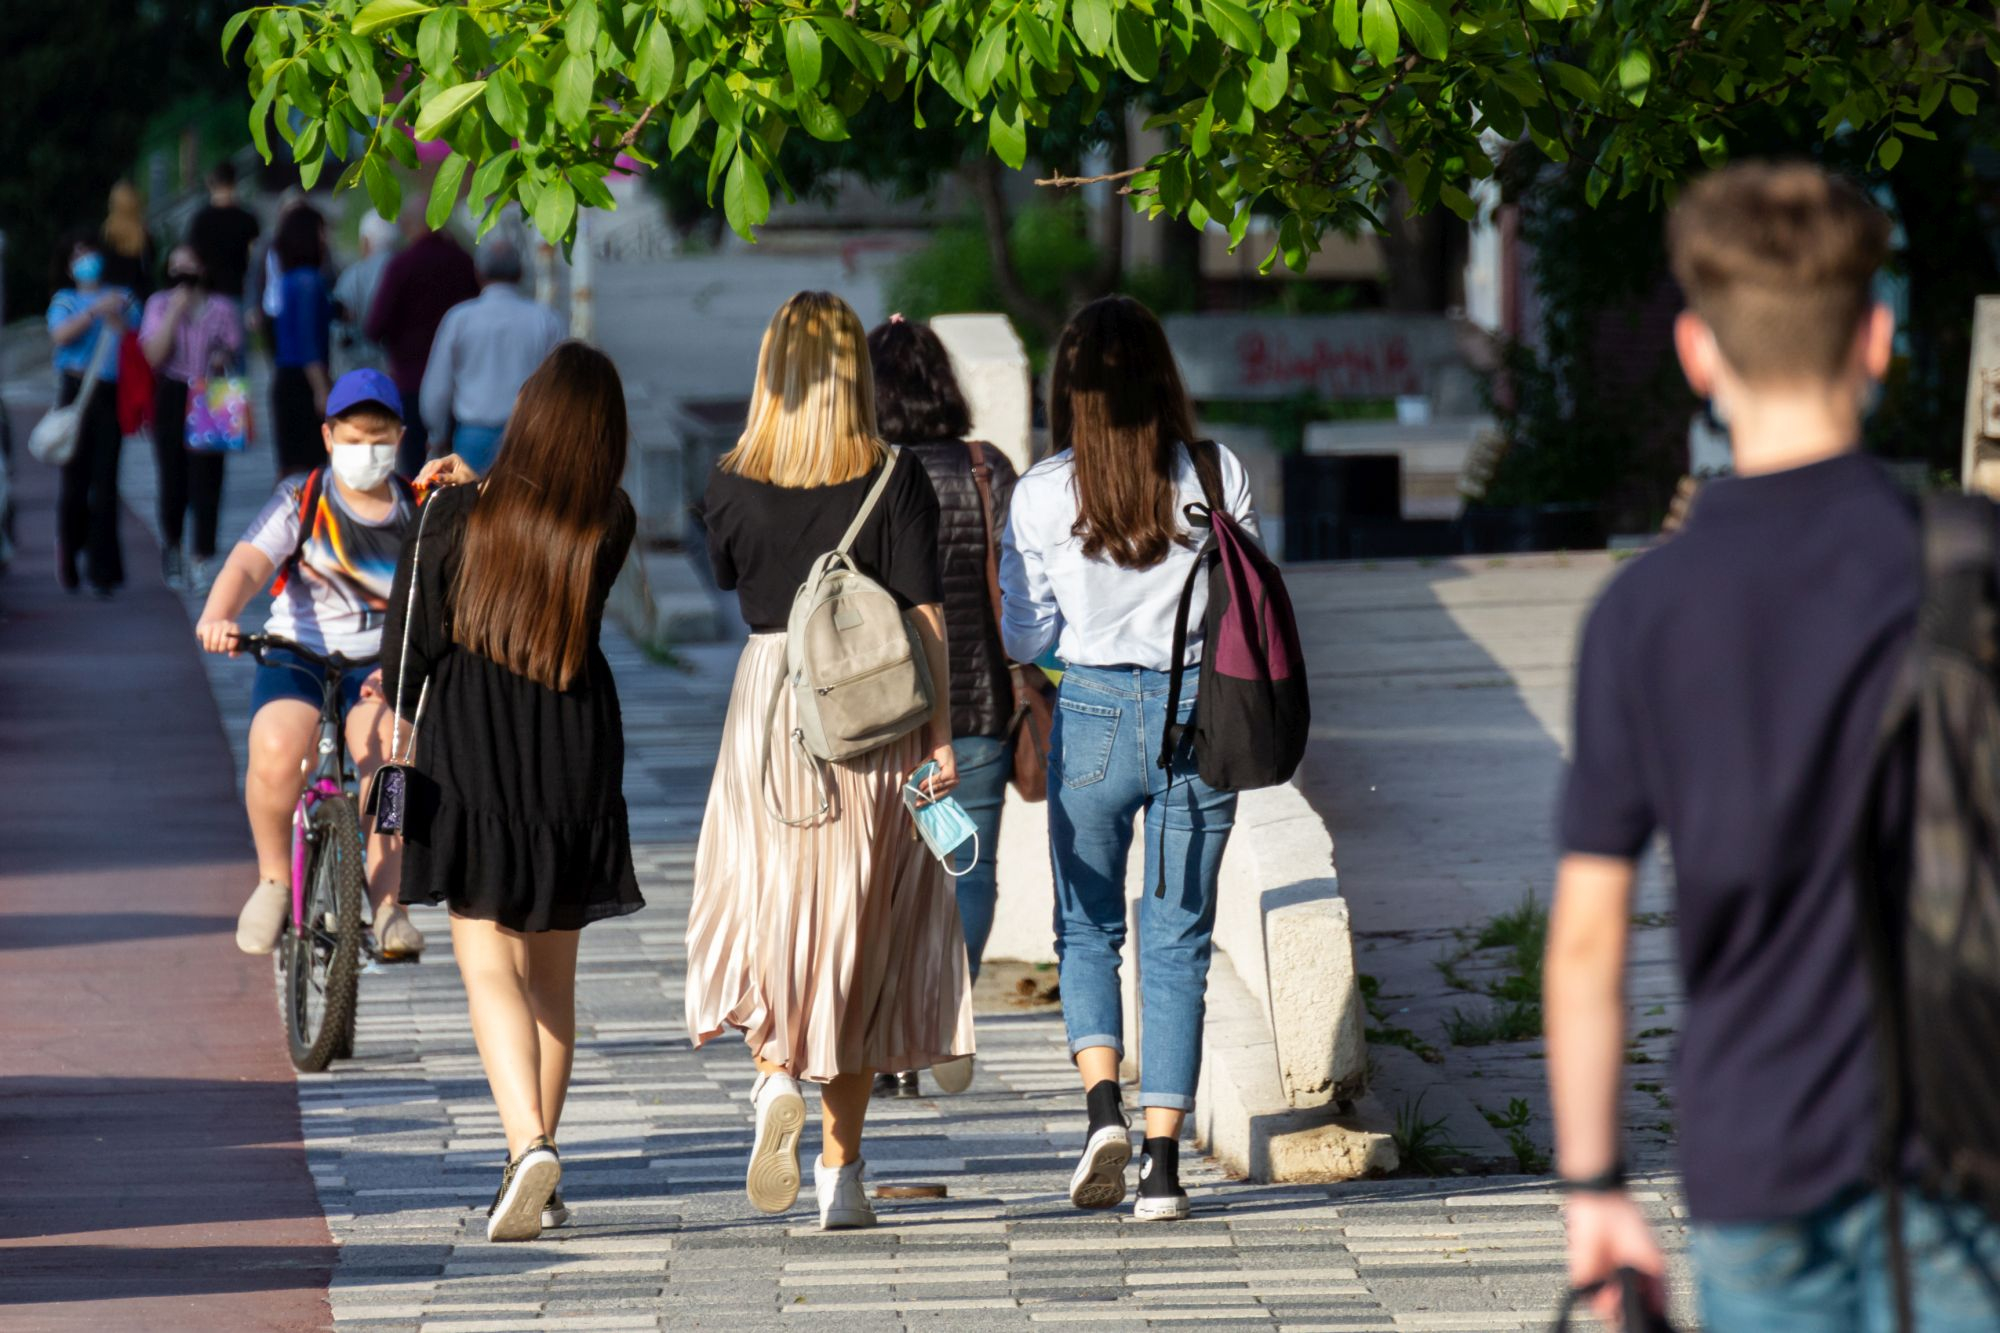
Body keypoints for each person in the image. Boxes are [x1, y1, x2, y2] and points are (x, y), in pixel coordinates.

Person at [1546, 162, 2000, 1330]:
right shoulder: (1969, 563)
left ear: (1698, 354)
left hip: (1756, 1147)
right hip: (1967, 1145)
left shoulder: (1642, 616)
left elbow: (1590, 936)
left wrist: (1593, 1187)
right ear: (1879, 339)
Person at [684, 291, 973, 1232]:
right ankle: (841, 1174)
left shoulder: (727, 482)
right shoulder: (894, 478)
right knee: (862, 934)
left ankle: (774, 1075)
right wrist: (939, 742)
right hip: (870, 716)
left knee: (770, 906)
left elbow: (731, 578)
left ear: (775, 371)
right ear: (853, 373)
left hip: (769, 710)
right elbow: (928, 619)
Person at [999, 295, 1257, 1223]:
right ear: (1164, 376)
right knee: (1178, 935)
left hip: (1096, 710)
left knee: (1087, 927)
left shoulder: (1039, 494)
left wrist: (1073, 621)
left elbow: (1023, 629)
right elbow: (1251, 601)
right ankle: (1161, 1167)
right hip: (1204, 716)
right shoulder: (1215, 475)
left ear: (1070, 388)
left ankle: (1101, 1107)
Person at [386, 342, 641, 1244]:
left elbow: (410, 645)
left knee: (485, 959)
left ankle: (527, 1143)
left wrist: (458, 497)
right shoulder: (610, 521)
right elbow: (541, 528)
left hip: (474, 746)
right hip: (573, 745)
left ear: (524, 419)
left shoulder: (453, 514)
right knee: (552, 978)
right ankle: (536, 1158)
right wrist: (481, 489)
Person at [194, 368, 427, 963]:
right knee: (276, 747)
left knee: (396, 761)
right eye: (354, 437)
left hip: (380, 665)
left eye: (379, 437)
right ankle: (274, 879)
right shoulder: (302, 499)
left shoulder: (420, 510)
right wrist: (219, 614)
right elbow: (247, 566)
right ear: (328, 437)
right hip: (298, 655)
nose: (366, 451)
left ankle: (389, 903)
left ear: (400, 437)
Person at [865, 314, 1018, 1100]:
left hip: (885, 711)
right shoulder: (987, 468)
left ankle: (892, 1034)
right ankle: (945, 1012)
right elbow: (1022, 594)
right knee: (970, 867)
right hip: (978, 701)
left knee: (889, 874)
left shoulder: (864, 473)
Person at [140, 245, 243, 589]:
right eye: (176, 267)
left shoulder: (222, 307)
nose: (183, 273)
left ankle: (202, 554)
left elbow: (233, 347)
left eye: (190, 265)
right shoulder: (158, 304)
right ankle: (172, 545)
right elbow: (152, 355)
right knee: (172, 476)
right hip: (172, 391)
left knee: (208, 477)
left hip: (210, 392)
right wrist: (174, 312)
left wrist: (220, 355)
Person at [419, 238, 566, 476]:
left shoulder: (459, 319)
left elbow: (437, 389)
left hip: (473, 439)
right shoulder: (546, 319)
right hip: (529, 435)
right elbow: (562, 385)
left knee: (471, 510)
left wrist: (436, 435)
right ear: (520, 273)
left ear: (479, 274)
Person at [45, 231, 141, 597]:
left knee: (106, 483)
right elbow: (60, 335)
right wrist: (93, 312)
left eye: (91, 253)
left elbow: (138, 330)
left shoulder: (120, 297)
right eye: (79, 255)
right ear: (69, 266)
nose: (87, 261)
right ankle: (69, 553)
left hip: (109, 394)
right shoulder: (66, 300)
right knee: (74, 482)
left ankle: (104, 567)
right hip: (76, 394)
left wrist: (118, 312)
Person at [366, 206, 479, 477]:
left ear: (411, 227)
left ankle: (419, 512)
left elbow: (375, 326)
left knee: (415, 463)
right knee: (458, 465)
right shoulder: (462, 260)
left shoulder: (402, 265)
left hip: (411, 376)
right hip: (460, 380)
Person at [270, 204, 334, 478]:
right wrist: (322, 390)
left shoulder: (287, 280)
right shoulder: (310, 281)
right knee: (311, 473)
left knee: (290, 470)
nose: (325, 238)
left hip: (286, 379)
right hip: (304, 384)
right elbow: (308, 343)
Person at [333, 212, 401, 376]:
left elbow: (339, 330)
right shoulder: (407, 271)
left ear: (365, 241)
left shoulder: (352, 276)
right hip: (399, 369)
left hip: (361, 370)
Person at [186, 161, 261, 306]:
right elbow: (254, 258)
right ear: (235, 182)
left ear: (211, 182)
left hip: (208, 291)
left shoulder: (201, 219)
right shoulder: (247, 219)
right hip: (237, 289)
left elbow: (192, 256)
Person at [101, 180, 156, 299]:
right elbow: (151, 260)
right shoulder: (143, 232)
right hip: (138, 292)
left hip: (112, 292)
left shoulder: (107, 231)